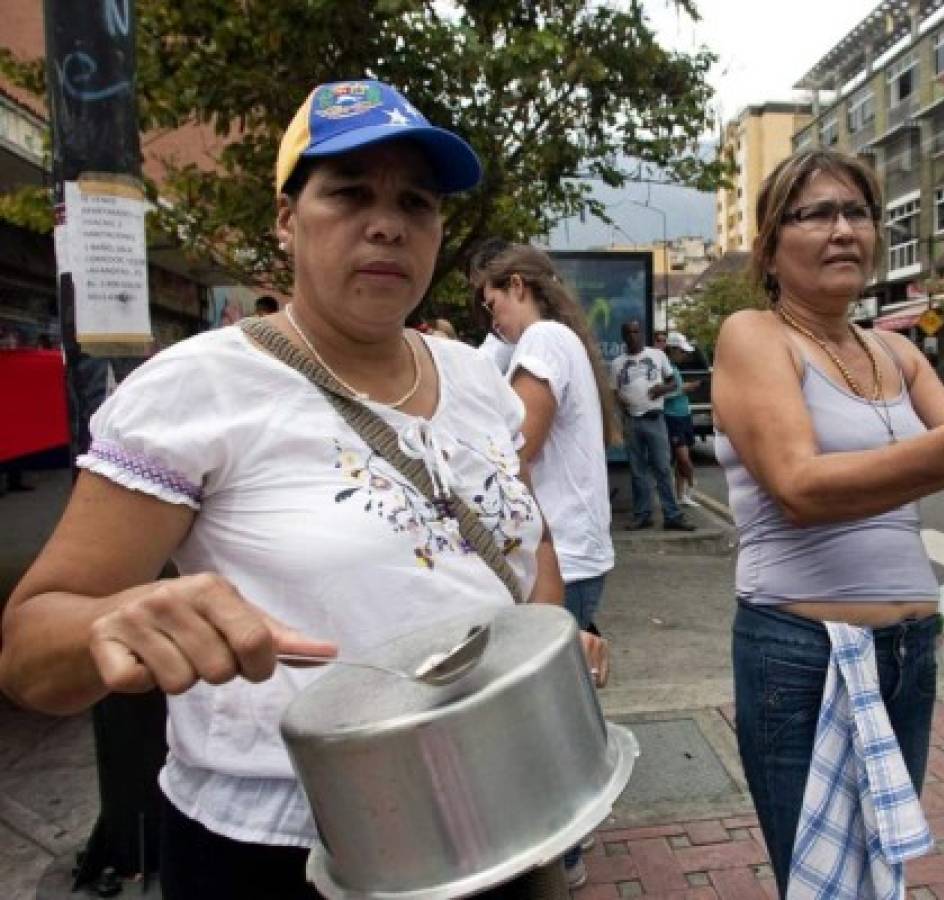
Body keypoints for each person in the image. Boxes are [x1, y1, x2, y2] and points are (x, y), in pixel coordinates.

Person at [0, 78, 607, 900]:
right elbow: (32, 654)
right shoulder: (199, 386)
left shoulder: (474, 378)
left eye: (416, 202)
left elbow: (523, 536)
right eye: (348, 193)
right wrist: (116, 620)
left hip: (496, 810)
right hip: (279, 846)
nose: (388, 222)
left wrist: (543, 645)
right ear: (287, 219)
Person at [713, 148, 944, 896]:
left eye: (858, 212)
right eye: (816, 213)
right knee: (819, 885)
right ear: (769, 246)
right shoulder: (753, 335)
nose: (844, 229)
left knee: (880, 873)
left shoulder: (896, 350)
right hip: (802, 654)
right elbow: (800, 488)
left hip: (907, 653)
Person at [472, 242, 621, 887]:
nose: (491, 319)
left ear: (514, 285)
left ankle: (563, 851)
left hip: (562, 556)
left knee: (551, 706)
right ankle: (567, 841)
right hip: (571, 550)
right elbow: (474, 372)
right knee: (561, 697)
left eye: (492, 302)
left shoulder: (545, 341)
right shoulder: (544, 342)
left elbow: (512, 447)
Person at [610, 321, 695, 532]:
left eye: (636, 331)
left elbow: (673, 383)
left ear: (642, 334)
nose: (632, 336)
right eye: (628, 332)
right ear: (623, 336)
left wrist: (661, 390)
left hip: (654, 419)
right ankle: (642, 515)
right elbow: (613, 392)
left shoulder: (657, 356)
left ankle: (672, 515)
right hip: (631, 421)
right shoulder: (618, 363)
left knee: (663, 468)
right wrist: (621, 403)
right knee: (638, 472)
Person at [662, 331, 700, 507]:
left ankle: (681, 495)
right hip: (672, 417)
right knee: (683, 458)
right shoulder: (663, 367)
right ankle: (693, 483)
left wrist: (688, 387)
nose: (684, 355)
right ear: (673, 349)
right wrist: (683, 389)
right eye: (682, 352)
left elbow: (676, 388)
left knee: (680, 460)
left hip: (684, 414)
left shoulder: (675, 368)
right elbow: (662, 394)